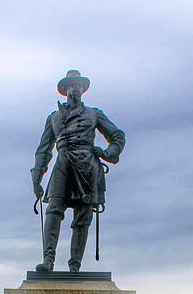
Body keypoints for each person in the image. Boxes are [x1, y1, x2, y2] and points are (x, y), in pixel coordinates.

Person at [31, 70, 126, 273]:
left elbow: (117, 135)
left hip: (87, 165)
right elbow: (44, 150)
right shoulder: (54, 117)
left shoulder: (94, 113)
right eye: (71, 86)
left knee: (83, 216)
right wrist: (37, 177)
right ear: (65, 90)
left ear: (82, 90)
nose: (74, 89)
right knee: (54, 210)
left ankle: (75, 266)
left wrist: (108, 152)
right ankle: (48, 260)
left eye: (78, 85)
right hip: (63, 163)